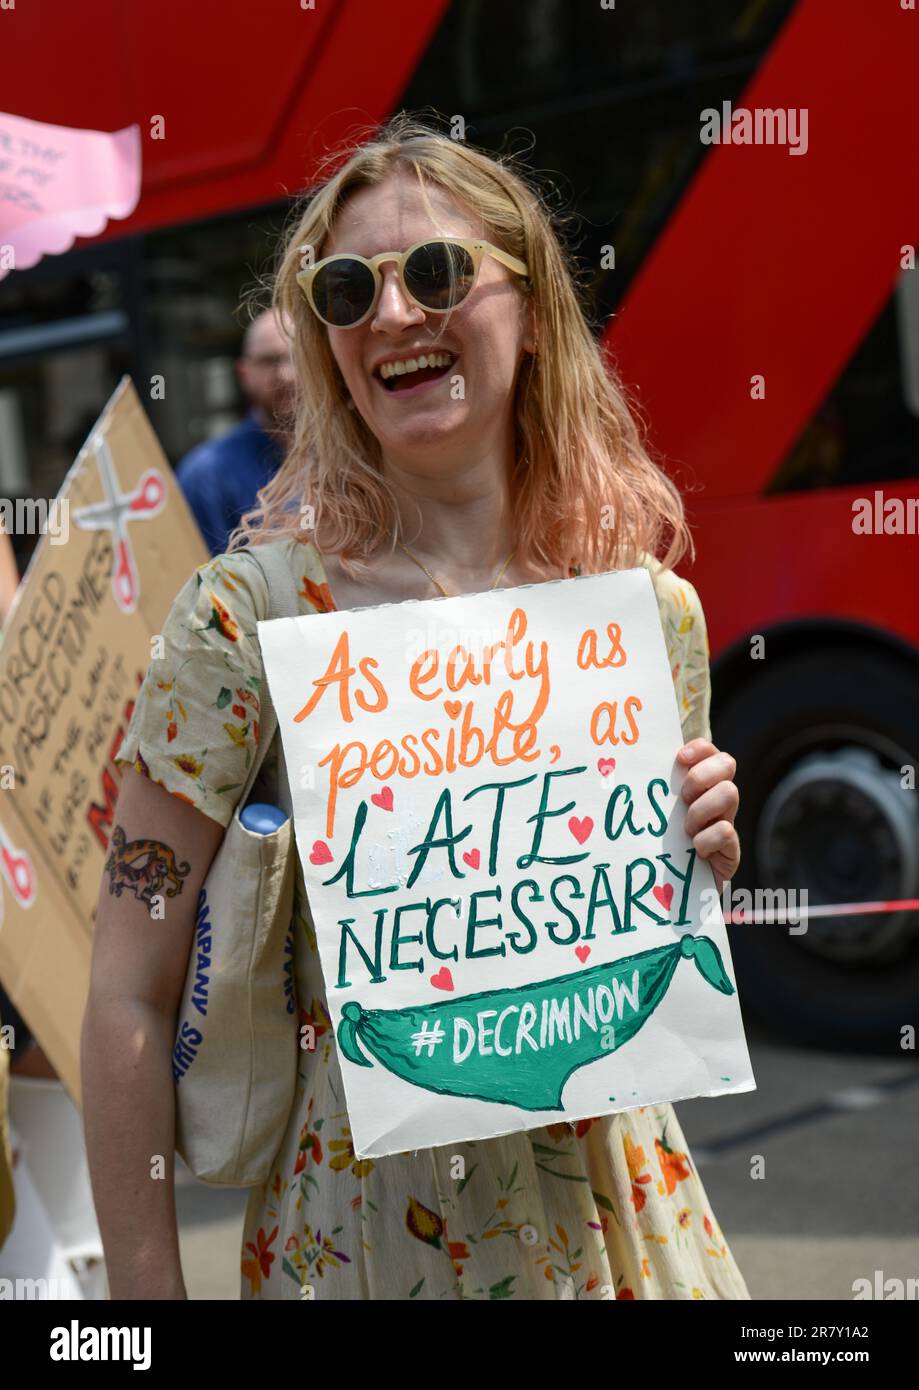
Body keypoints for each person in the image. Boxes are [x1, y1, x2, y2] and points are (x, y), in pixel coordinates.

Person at [83, 113, 749, 1301]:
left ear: (533, 312)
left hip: (622, 1236)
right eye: (346, 291)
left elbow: (624, 967)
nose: (391, 314)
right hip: (364, 1246)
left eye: (436, 272)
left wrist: (701, 864)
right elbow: (127, 991)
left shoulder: (646, 621)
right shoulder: (249, 621)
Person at [175, 309, 296, 555]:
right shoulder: (206, 475)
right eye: (269, 361)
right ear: (244, 373)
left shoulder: (356, 451)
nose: (285, 375)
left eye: (295, 358)